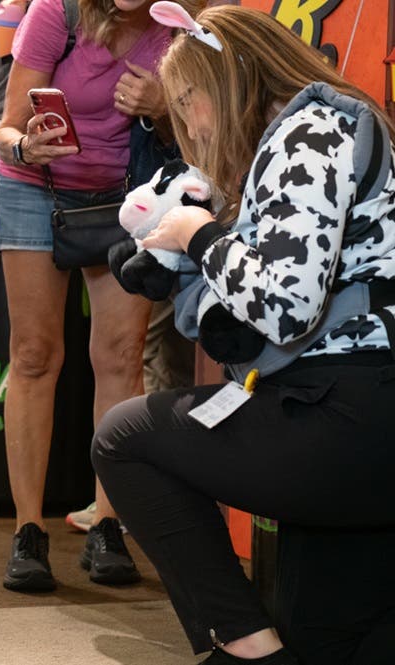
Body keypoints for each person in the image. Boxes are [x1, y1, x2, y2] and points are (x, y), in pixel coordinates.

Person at [93, 4, 395, 664]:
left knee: (124, 439)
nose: (190, 127)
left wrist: (196, 237)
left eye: (186, 104)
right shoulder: (316, 130)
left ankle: (246, 648)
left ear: (219, 85)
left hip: (349, 408)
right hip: (353, 404)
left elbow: (286, 306)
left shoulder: (312, 132)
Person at [0, 0, 204, 591]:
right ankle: (27, 531)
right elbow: (6, 129)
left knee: (119, 358)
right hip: (36, 191)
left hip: (131, 199)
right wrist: (25, 147)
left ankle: (109, 523)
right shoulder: (55, 15)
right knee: (34, 356)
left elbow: (210, 135)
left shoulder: (184, 26)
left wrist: (164, 109)